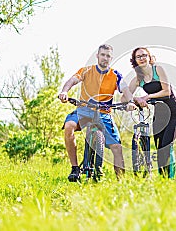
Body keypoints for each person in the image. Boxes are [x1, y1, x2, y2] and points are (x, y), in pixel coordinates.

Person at [58, 44, 135, 182]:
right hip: (84, 110)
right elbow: (72, 81)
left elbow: (125, 90)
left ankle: (121, 183)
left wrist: (130, 102)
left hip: (104, 113)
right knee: (69, 125)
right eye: (103, 55)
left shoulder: (115, 75)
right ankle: (75, 167)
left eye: (108, 56)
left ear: (111, 58)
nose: (105, 58)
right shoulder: (86, 71)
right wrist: (64, 91)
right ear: (97, 56)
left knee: (117, 148)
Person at [128, 47, 176, 179]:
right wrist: (134, 100)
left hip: (174, 113)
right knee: (159, 149)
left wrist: (146, 97)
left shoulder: (158, 69)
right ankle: (163, 180)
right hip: (159, 116)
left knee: (166, 145)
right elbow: (126, 95)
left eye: (144, 55)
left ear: (149, 57)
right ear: (135, 61)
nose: (141, 58)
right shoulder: (138, 79)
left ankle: (170, 179)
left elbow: (167, 91)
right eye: (138, 57)